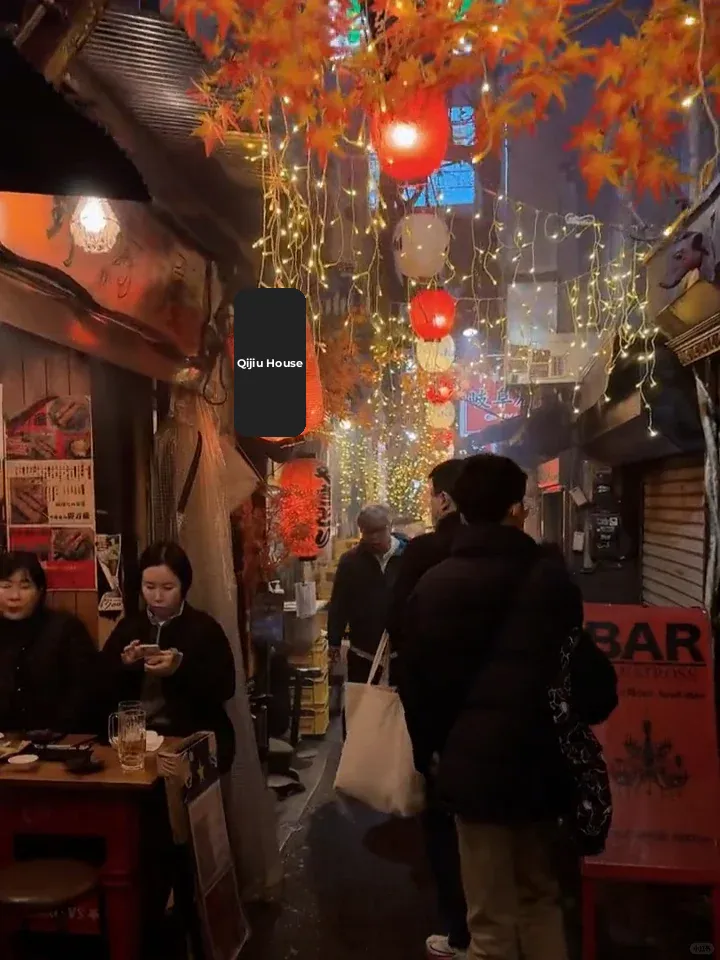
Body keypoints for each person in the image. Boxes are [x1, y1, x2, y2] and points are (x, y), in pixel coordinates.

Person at [404, 454, 582, 960]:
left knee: (489, 920)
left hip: (470, 768)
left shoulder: (435, 586)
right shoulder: (551, 580)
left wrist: (431, 754)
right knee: (539, 896)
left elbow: (417, 684)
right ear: (515, 510)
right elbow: (578, 670)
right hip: (540, 761)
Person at [388, 458, 469, 960]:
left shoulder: (425, 555)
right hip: (507, 726)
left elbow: (401, 634)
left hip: (442, 717)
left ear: (443, 500)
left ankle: (459, 929)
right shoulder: (528, 559)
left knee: (443, 823)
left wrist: (424, 741)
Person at [102, 541, 236, 773]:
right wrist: (125, 664)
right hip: (135, 738)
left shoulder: (204, 628)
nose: (157, 596)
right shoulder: (129, 626)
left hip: (189, 736)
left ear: (184, 586)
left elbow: (226, 687)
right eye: (149, 586)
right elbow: (100, 681)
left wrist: (180, 669)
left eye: (167, 587)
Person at [0, 550, 100, 733]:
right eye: (6, 586)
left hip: (60, 740)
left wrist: (55, 730)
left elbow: (85, 693)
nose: (14, 596)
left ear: (40, 591)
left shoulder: (66, 629)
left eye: (25, 586)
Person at [327, 504, 407, 684]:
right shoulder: (350, 561)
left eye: (378, 531)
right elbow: (339, 603)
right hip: (363, 651)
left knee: (399, 707)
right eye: (367, 532)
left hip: (401, 652)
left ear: (389, 526)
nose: (373, 538)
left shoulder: (408, 556)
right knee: (362, 706)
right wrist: (334, 641)